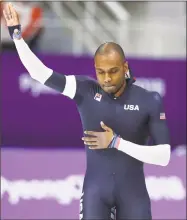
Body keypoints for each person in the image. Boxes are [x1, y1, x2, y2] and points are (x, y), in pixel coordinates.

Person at [3, 2, 171, 220]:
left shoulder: (149, 100)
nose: (107, 78)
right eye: (100, 72)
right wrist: (17, 36)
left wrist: (116, 142)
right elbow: (39, 73)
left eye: (113, 71)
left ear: (125, 67)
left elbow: (164, 156)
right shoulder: (84, 89)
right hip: (95, 194)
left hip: (133, 196)